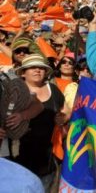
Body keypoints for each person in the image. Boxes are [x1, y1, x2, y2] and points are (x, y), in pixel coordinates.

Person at [13, 54, 64, 190]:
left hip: (48, 160)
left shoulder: (53, 89)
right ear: (23, 73)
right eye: (33, 67)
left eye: (41, 68)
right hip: (19, 159)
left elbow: (64, 111)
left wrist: (63, 118)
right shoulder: (14, 92)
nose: (38, 70)